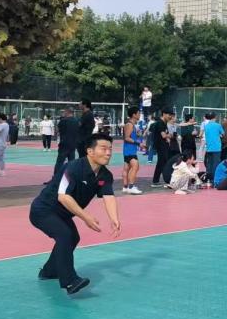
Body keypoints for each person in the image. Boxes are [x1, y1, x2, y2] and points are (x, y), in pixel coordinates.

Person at [29, 132, 120, 295]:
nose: (108, 153)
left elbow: (108, 196)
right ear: (90, 151)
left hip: (63, 214)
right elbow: (63, 197)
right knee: (65, 235)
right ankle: (70, 281)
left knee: (73, 238)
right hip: (43, 210)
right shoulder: (73, 168)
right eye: (103, 148)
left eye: (110, 149)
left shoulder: (105, 175)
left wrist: (114, 219)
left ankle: (49, 271)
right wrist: (86, 217)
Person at [119, 107, 144, 195]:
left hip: (128, 150)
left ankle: (125, 187)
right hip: (130, 150)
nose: (139, 115)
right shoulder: (129, 124)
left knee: (126, 168)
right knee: (135, 166)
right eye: (138, 113)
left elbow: (130, 136)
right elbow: (126, 138)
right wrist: (138, 143)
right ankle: (131, 187)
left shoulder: (132, 125)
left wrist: (137, 135)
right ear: (134, 115)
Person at [148, 110, 175, 187]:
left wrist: (168, 137)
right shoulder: (160, 123)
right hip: (160, 145)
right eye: (169, 115)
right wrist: (170, 135)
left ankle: (165, 179)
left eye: (171, 115)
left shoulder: (164, 123)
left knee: (163, 162)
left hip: (163, 145)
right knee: (161, 163)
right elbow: (164, 135)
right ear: (164, 114)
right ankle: (156, 181)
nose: (170, 117)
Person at [52, 107, 79, 177]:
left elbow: (57, 131)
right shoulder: (77, 121)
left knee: (60, 162)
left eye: (64, 111)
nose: (63, 113)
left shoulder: (63, 121)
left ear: (67, 112)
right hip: (73, 144)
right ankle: (71, 178)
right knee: (71, 163)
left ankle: (56, 178)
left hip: (64, 144)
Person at [200, 112, 223, 184]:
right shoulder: (218, 125)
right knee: (216, 164)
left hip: (209, 148)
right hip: (217, 148)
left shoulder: (206, 126)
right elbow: (223, 134)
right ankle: (215, 180)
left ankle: (209, 179)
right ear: (215, 117)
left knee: (209, 165)